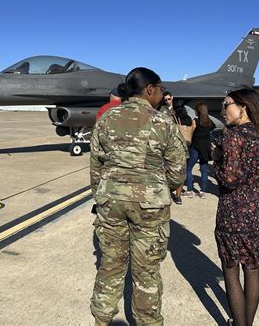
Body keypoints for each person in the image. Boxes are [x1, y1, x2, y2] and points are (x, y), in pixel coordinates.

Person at [90, 67, 187, 326]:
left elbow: (96, 165)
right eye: (161, 90)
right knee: (146, 273)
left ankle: (101, 320)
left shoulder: (107, 119)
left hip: (110, 201)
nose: (163, 94)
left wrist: (102, 195)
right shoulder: (163, 122)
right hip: (149, 206)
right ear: (150, 90)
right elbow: (178, 172)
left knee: (110, 265)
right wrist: (156, 186)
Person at [211, 87, 259, 326]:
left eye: (227, 104)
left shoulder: (233, 135)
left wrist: (217, 161)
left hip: (234, 210)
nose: (223, 109)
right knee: (252, 270)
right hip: (258, 209)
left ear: (243, 107)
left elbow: (229, 179)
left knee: (231, 270)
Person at [185, 102, 216, 199]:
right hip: (205, 148)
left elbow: (191, 132)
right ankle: (202, 192)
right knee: (204, 170)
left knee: (188, 169)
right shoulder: (210, 122)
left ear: (197, 111)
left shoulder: (195, 121)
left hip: (195, 147)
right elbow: (212, 128)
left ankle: (190, 190)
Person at [171, 103, 193, 205]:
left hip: (174, 148)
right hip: (186, 148)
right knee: (182, 173)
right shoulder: (188, 119)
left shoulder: (174, 119)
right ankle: (178, 196)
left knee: (170, 171)